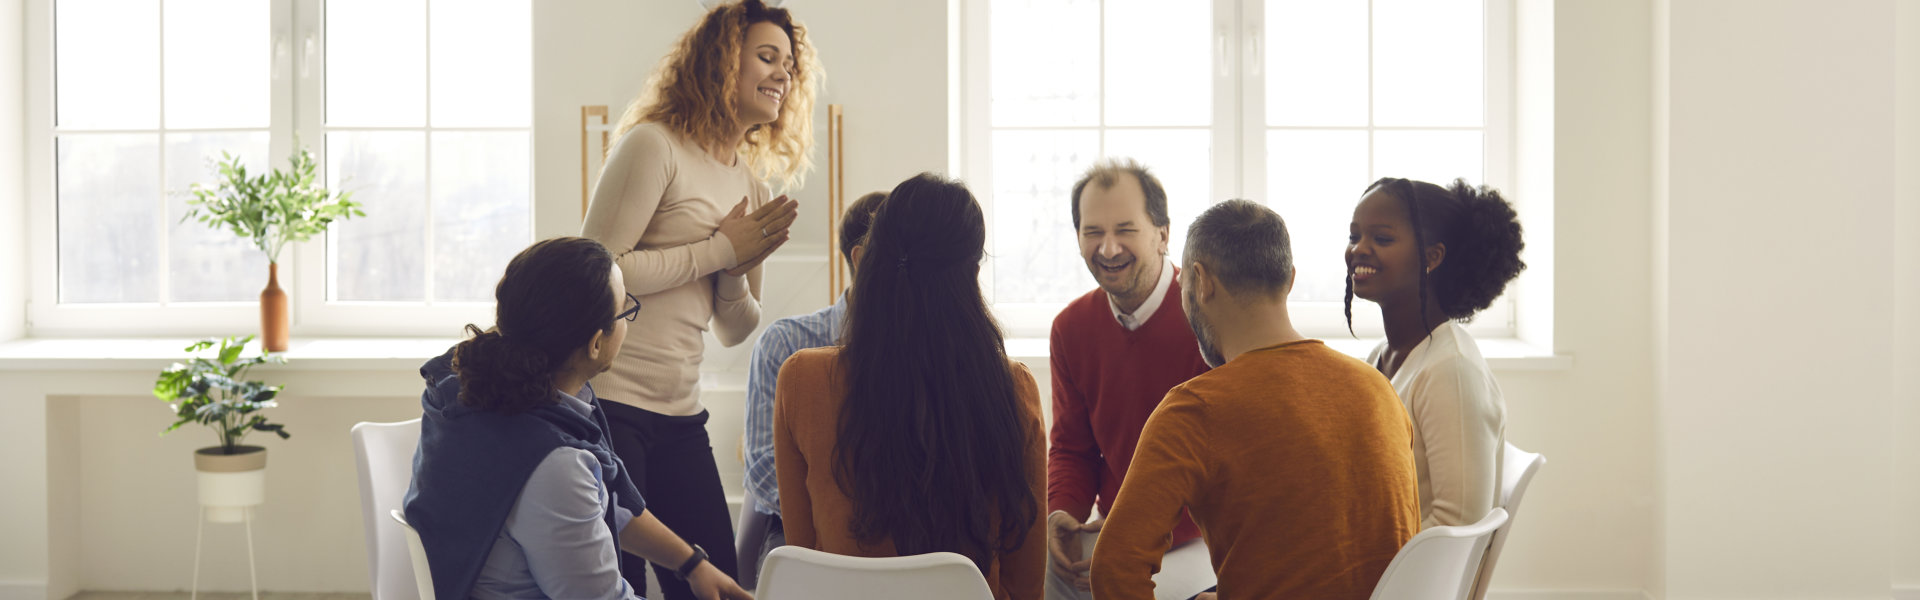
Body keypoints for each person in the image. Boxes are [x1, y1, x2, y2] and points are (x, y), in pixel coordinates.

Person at [579, 1, 818, 596]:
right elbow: (593, 272)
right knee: (621, 586)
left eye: (789, 65)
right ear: (721, 63)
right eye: (767, 57)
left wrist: (734, 268)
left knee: (718, 586)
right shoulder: (654, 146)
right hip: (611, 407)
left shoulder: (749, 182)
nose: (782, 76)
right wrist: (717, 250)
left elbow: (736, 329)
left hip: (680, 414)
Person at [1092, 200, 1419, 599]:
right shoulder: (1377, 389)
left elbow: (1114, 569)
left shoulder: (1195, 411)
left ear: (1201, 281)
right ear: (1290, 279)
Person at [404, 237, 751, 600]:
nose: (629, 317)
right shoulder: (555, 464)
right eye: (625, 310)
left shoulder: (463, 387)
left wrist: (691, 563)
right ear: (596, 343)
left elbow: (607, 501)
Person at [774, 174, 1045, 600]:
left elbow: (804, 557)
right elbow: (1026, 584)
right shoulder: (1013, 390)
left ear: (868, 263)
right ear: (972, 274)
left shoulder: (801, 381)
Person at [1044, 159, 1213, 600]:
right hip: (1115, 532)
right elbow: (1072, 449)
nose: (1109, 248)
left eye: (1125, 230)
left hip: (1199, 541)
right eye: (1093, 232)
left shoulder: (1212, 319)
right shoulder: (1071, 328)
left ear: (1162, 234)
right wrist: (1061, 512)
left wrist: (1129, 537)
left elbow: (1221, 469)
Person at [1345, 177, 1524, 528]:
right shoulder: (1383, 357)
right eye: (1354, 236)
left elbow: (1457, 522)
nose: (1359, 249)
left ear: (1432, 257)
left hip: (1406, 579)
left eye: (1381, 238)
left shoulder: (1451, 370)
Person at [735, 190, 886, 589]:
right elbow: (763, 467)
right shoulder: (785, 343)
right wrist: (842, 518)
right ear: (862, 258)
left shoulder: (925, 345)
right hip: (798, 527)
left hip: (895, 525)